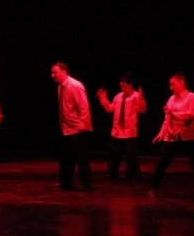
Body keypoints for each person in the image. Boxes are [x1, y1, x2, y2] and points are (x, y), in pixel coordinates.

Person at [149, 72, 194, 199]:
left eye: (173, 84)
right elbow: (167, 119)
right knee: (162, 162)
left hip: (190, 137)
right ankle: (153, 188)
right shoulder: (171, 99)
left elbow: (192, 114)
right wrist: (161, 133)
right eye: (170, 85)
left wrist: (174, 113)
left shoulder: (192, 97)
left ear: (181, 82)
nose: (171, 87)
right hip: (172, 135)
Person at [96, 72, 147, 181]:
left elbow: (142, 110)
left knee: (131, 155)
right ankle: (112, 173)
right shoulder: (118, 96)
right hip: (117, 130)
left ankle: (132, 175)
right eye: (121, 86)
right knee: (113, 153)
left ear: (131, 85)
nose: (123, 88)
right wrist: (103, 99)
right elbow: (110, 109)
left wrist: (140, 99)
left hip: (129, 130)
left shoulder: (136, 96)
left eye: (125, 86)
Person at [50, 61, 93, 191]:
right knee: (65, 156)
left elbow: (83, 106)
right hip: (66, 128)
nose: (52, 75)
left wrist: (82, 125)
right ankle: (65, 182)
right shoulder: (60, 87)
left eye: (55, 72)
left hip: (78, 128)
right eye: (52, 72)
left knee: (81, 157)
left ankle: (87, 183)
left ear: (64, 72)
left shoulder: (75, 85)